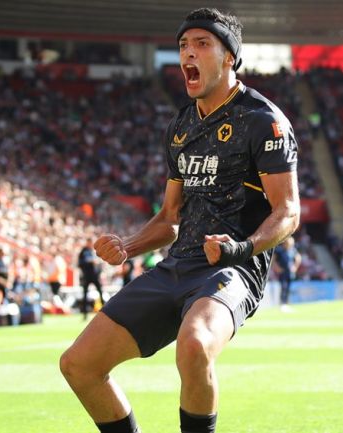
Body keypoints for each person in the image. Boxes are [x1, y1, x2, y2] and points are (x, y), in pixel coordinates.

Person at [60, 8, 300, 433]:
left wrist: (241, 247)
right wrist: (128, 246)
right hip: (177, 265)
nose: (188, 53)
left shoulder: (264, 121)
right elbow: (171, 218)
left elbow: (289, 212)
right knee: (78, 364)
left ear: (230, 57)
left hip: (231, 269)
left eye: (202, 44)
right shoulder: (181, 126)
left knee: (194, 345)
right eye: (183, 46)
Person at [78, 238, 104, 320]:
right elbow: (80, 263)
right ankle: (84, 314)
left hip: (95, 276)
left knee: (100, 292)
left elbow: (100, 263)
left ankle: (104, 312)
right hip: (87, 276)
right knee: (85, 295)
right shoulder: (83, 252)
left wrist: (99, 272)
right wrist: (88, 262)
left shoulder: (95, 251)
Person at [274, 236, 301, 312]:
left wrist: (295, 267)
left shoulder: (293, 250)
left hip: (290, 273)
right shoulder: (279, 250)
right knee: (283, 287)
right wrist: (277, 268)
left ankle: (287, 303)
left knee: (288, 288)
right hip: (283, 273)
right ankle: (282, 304)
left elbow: (298, 258)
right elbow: (273, 260)